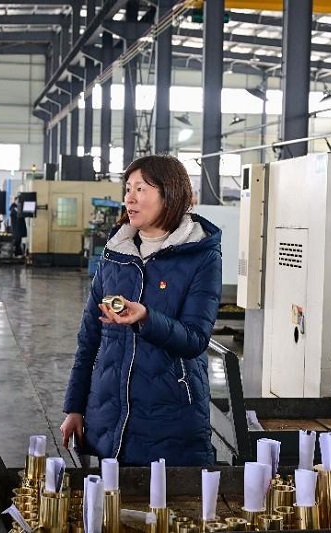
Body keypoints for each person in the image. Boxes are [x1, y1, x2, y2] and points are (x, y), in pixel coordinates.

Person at [60, 154, 222, 466]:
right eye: (128, 189)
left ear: (169, 194)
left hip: (171, 417)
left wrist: (146, 318)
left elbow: (195, 339)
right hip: (108, 414)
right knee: (110, 495)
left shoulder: (200, 255)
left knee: (166, 497)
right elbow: (89, 339)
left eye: (141, 189)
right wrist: (75, 407)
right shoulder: (116, 253)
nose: (130, 198)